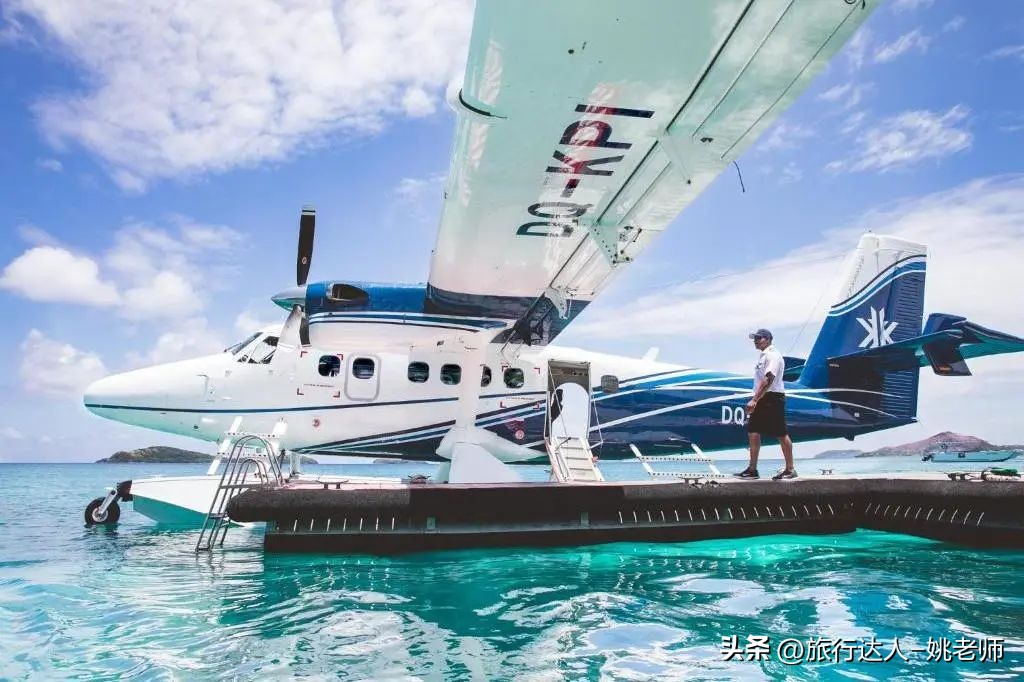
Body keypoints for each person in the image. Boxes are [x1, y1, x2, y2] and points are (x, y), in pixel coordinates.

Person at [734, 328, 797, 480]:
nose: (756, 341)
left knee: (781, 433)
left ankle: (790, 469)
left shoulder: (772, 355)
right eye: (754, 338)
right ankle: (752, 469)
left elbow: (769, 378)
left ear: (768, 339)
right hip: (763, 397)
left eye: (759, 338)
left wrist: (754, 400)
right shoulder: (763, 356)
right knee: (753, 432)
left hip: (773, 398)